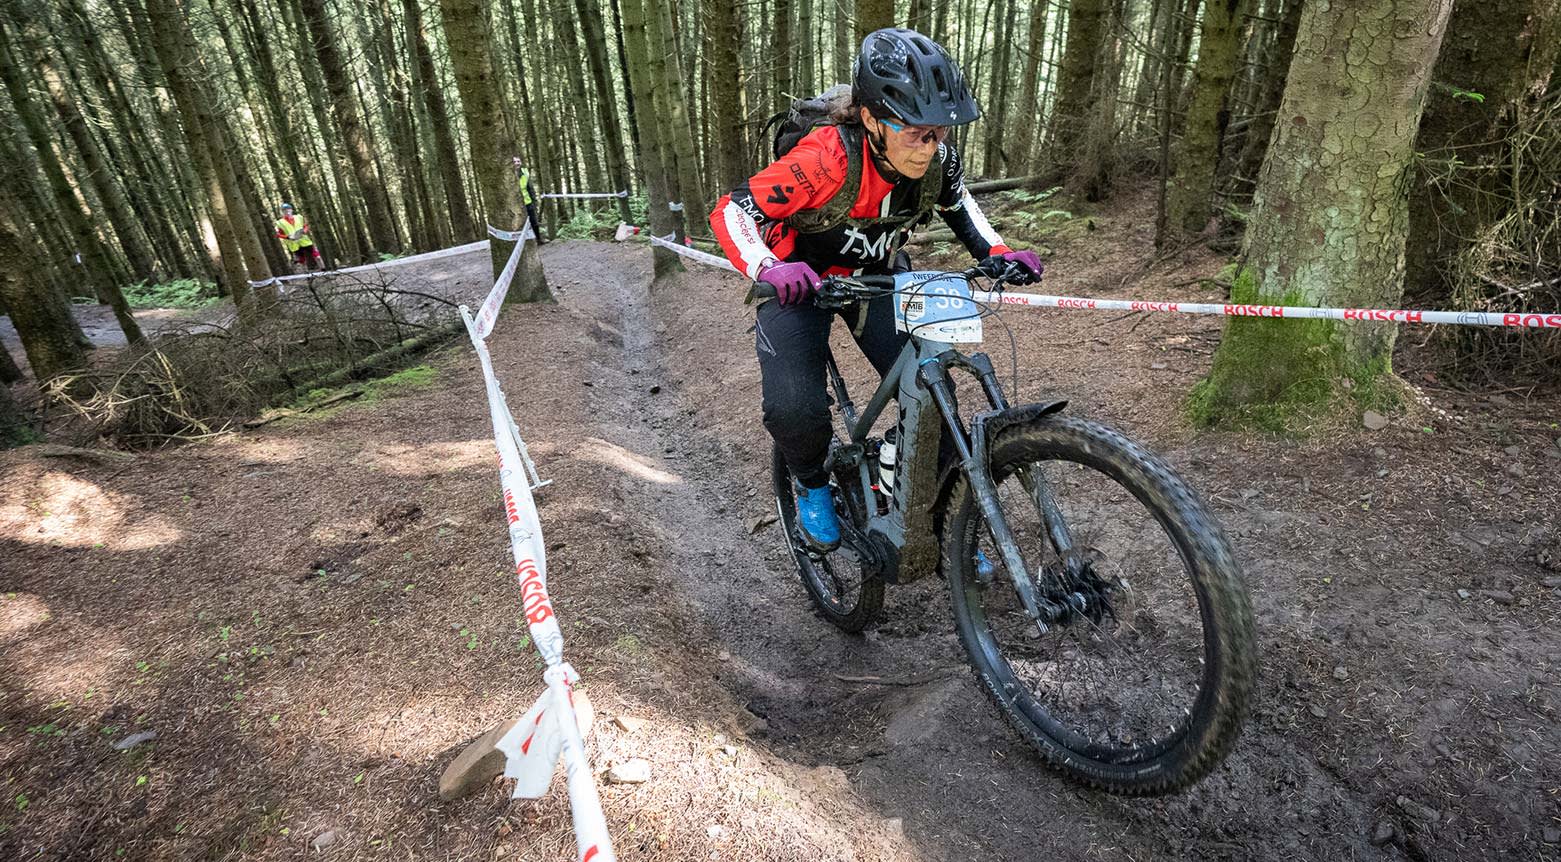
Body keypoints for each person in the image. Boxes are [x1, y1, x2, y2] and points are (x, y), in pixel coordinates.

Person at [709, 28, 1044, 552]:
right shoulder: (824, 159)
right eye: (915, 133)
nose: (930, 147)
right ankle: (811, 484)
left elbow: (960, 205)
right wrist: (768, 267)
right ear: (870, 119)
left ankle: (932, 508)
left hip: (878, 277)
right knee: (795, 408)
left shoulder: (938, 160)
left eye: (939, 132)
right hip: (801, 282)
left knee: (934, 394)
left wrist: (998, 252)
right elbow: (732, 211)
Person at [274, 203, 322, 272]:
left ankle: (323, 270)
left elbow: (305, 226)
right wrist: (287, 237)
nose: (287, 211)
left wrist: (305, 231)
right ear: (282, 212)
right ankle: (306, 274)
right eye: (284, 210)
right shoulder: (280, 223)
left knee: (317, 256)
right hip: (294, 243)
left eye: (288, 209)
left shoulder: (299, 217)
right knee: (302, 261)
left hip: (305, 240)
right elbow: (278, 234)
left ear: (291, 210)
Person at [511, 158, 546, 244]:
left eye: (518, 161)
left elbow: (530, 187)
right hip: (515, 205)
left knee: (534, 222)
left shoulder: (525, 172)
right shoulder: (509, 175)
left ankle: (539, 240)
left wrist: (534, 201)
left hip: (527, 202)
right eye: (514, 162)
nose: (517, 163)